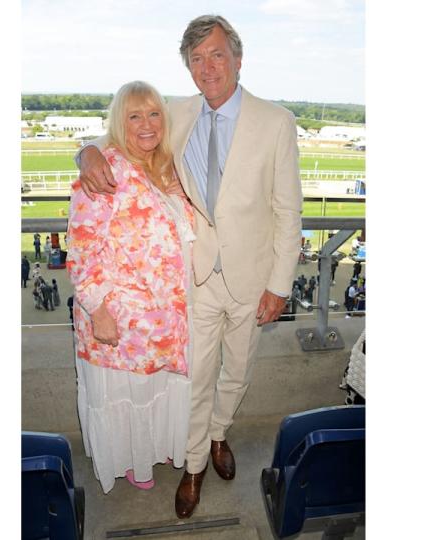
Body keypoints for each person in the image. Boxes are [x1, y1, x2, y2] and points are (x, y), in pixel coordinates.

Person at [75, 15, 302, 518]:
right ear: (188, 68)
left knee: (236, 373)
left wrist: (279, 284)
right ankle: (195, 464)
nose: (208, 67)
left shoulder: (276, 121)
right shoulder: (174, 113)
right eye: (196, 59)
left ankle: (219, 434)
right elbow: (122, 132)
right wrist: (84, 151)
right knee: (197, 376)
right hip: (194, 279)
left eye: (217, 55)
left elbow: (289, 211)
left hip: (252, 277)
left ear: (238, 60)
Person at [67, 80, 195, 494]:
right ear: (119, 123)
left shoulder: (169, 168)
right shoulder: (104, 171)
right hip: (121, 320)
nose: (146, 124)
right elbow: (83, 247)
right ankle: (133, 462)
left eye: (154, 113)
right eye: (134, 116)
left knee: (156, 392)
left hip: (165, 318)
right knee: (131, 397)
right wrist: (97, 309)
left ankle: (149, 456)